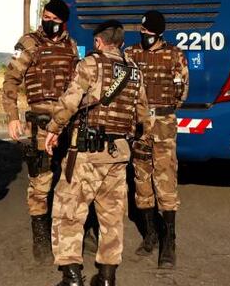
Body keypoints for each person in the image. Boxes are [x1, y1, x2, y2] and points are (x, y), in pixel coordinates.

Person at [44, 20, 152, 286]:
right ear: (122, 43)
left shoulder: (90, 64)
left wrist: (54, 128)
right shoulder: (134, 70)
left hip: (87, 152)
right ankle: (106, 277)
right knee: (112, 216)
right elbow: (143, 116)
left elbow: (70, 101)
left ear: (98, 42)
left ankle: (71, 277)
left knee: (68, 210)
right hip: (119, 154)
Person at [2, 0, 79, 264]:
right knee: (41, 181)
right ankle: (40, 240)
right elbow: (11, 81)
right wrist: (12, 117)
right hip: (41, 124)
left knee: (70, 180)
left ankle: (66, 235)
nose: (48, 22)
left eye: (54, 20)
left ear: (63, 22)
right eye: (45, 16)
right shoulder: (30, 43)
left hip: (67, 124)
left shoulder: (70, 46)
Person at [125, 10, 189, 269]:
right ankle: (150, 234)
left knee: (165, 178)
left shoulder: (174, 56)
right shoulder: (130, 54)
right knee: (141, 178)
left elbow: (182, 90)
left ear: (159, 33)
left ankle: (169, 242)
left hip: (163, 124)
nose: (145, 36)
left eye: (150, 33)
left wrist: (162, 109)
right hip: (139, 125)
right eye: (143, 32)